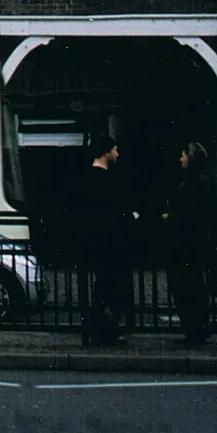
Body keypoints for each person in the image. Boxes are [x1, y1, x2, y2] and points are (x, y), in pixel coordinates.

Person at [77, 133, 136, 344]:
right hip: (111, 243)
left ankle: (99, 330)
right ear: (105, 152)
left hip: (95, 243)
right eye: (114, 149)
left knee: (102, 287)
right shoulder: (107, 180)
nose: (117, 153)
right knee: (111, 288)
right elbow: (116, 213)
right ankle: (106, 332)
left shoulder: (87, 179)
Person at [162, 142, 217, 344]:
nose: (181, 159)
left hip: (188, 242)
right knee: (191, 285)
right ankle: (195, 329)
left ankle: (195, 330)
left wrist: (171, 217)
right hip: (191, 241)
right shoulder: (199, 179)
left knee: (187, 285)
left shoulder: (198, 181)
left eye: (183, 155)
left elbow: (197, 212)